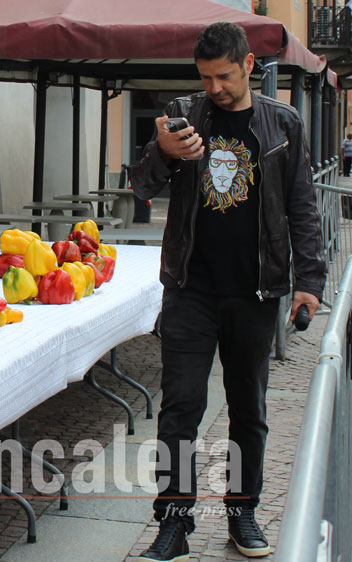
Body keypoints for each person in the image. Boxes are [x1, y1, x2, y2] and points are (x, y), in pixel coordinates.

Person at [131, 22, 325, 562]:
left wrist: (310, 281)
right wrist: (164, 153)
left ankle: (242, 513)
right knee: (180, 409)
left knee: (249, 409)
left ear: (246, 66)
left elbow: (302, 206)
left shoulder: (282, 122)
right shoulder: (182, 115)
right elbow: (141, 187)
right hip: (191, 290)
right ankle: (174, 523)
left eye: (223, 76)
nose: (214, 87)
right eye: (205, 78)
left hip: (255, 292)